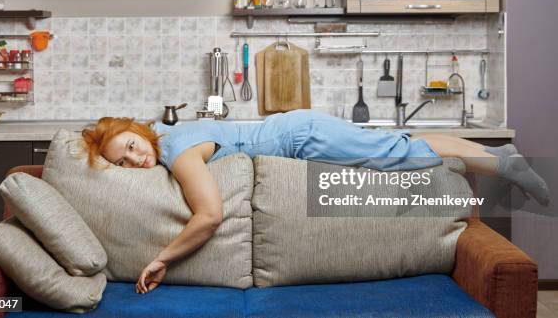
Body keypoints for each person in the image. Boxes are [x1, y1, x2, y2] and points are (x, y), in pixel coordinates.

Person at [81, 109, 549, 295]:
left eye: (129, 147)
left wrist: (161, 258)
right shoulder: (168, 139)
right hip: (298, 130)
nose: (135, 161)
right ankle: (496, 158)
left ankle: (503, 164)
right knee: (398, 145)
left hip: (302, 138)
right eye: (122, 163)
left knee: (397, 154)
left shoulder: (177, 151)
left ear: (133, 129)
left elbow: (209, 216)